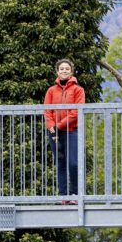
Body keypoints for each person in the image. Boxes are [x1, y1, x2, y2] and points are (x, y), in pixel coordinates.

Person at [43, 59, 85, 202]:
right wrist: (51, 126)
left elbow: (76, 112)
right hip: (54, 132)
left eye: (67, 69)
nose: (64, 71)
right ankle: (63, 195)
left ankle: (74, 194)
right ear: (57, 71)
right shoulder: (51, 90)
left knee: (73, 163)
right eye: (61, 69)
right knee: (60, 163)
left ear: (71, 71)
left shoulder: (78, 90)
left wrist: (59, 125)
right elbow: (47, 110)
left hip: (71, 130)